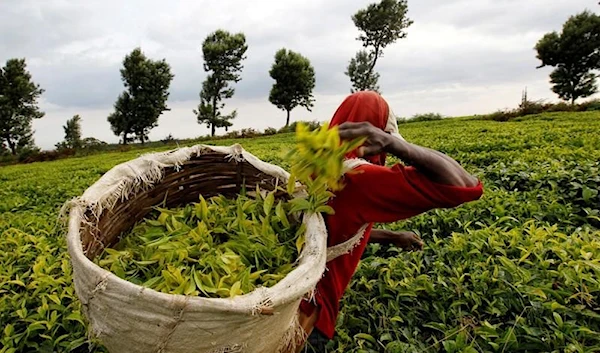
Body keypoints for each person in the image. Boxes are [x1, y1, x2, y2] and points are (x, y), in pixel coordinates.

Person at [295, 91, 484, 352]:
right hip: (311, 316)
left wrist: (392, 237)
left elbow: (334, 229)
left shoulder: (314, 167)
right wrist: (395, 145)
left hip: (288, 303)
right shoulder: (358, 177)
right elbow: (464, 185)